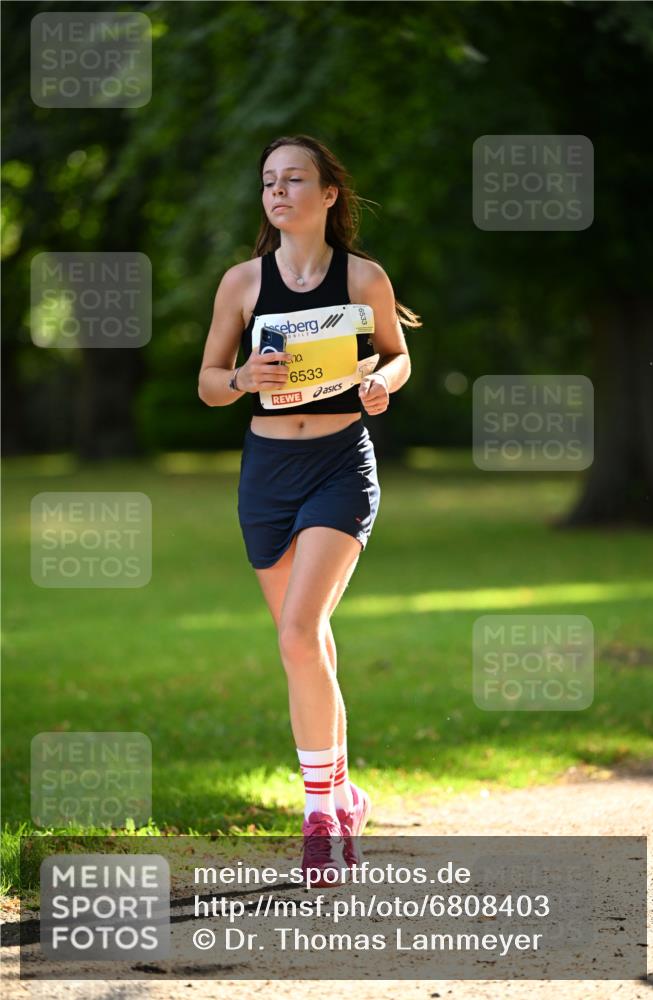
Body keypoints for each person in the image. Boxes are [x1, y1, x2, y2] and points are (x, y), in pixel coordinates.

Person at [198, 134, 421, 885]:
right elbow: (206, 381)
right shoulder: (240, 284)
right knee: (306, 645)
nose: (278, 192)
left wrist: (384, 381)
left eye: (295, 179)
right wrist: (240, 376)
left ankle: (319, 816)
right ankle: (345, 794)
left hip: (337, 466)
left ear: (328, 195)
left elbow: (397, 353)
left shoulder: (363, 276)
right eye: (268, 181)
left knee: (298, 631)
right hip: (266, 471)